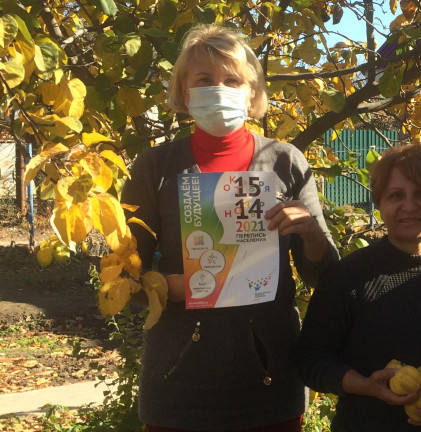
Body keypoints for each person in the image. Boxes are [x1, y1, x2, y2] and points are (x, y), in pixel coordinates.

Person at [121, 24, 338, 432]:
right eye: (204, 79)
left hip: (268, 382)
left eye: (232, 80)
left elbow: (323, 275)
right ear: (185, 91)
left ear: (251, 91)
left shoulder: (284, 161)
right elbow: (122, 277)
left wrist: (310, 232)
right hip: (179, 385)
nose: (218, 89)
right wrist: (165, 287)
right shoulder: (154, 167)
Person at [296, 144, 421, 431]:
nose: (409, 206)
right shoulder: (347, 277)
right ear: (379, 203)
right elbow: (311, 360)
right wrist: (366, 385)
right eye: (396, 195)